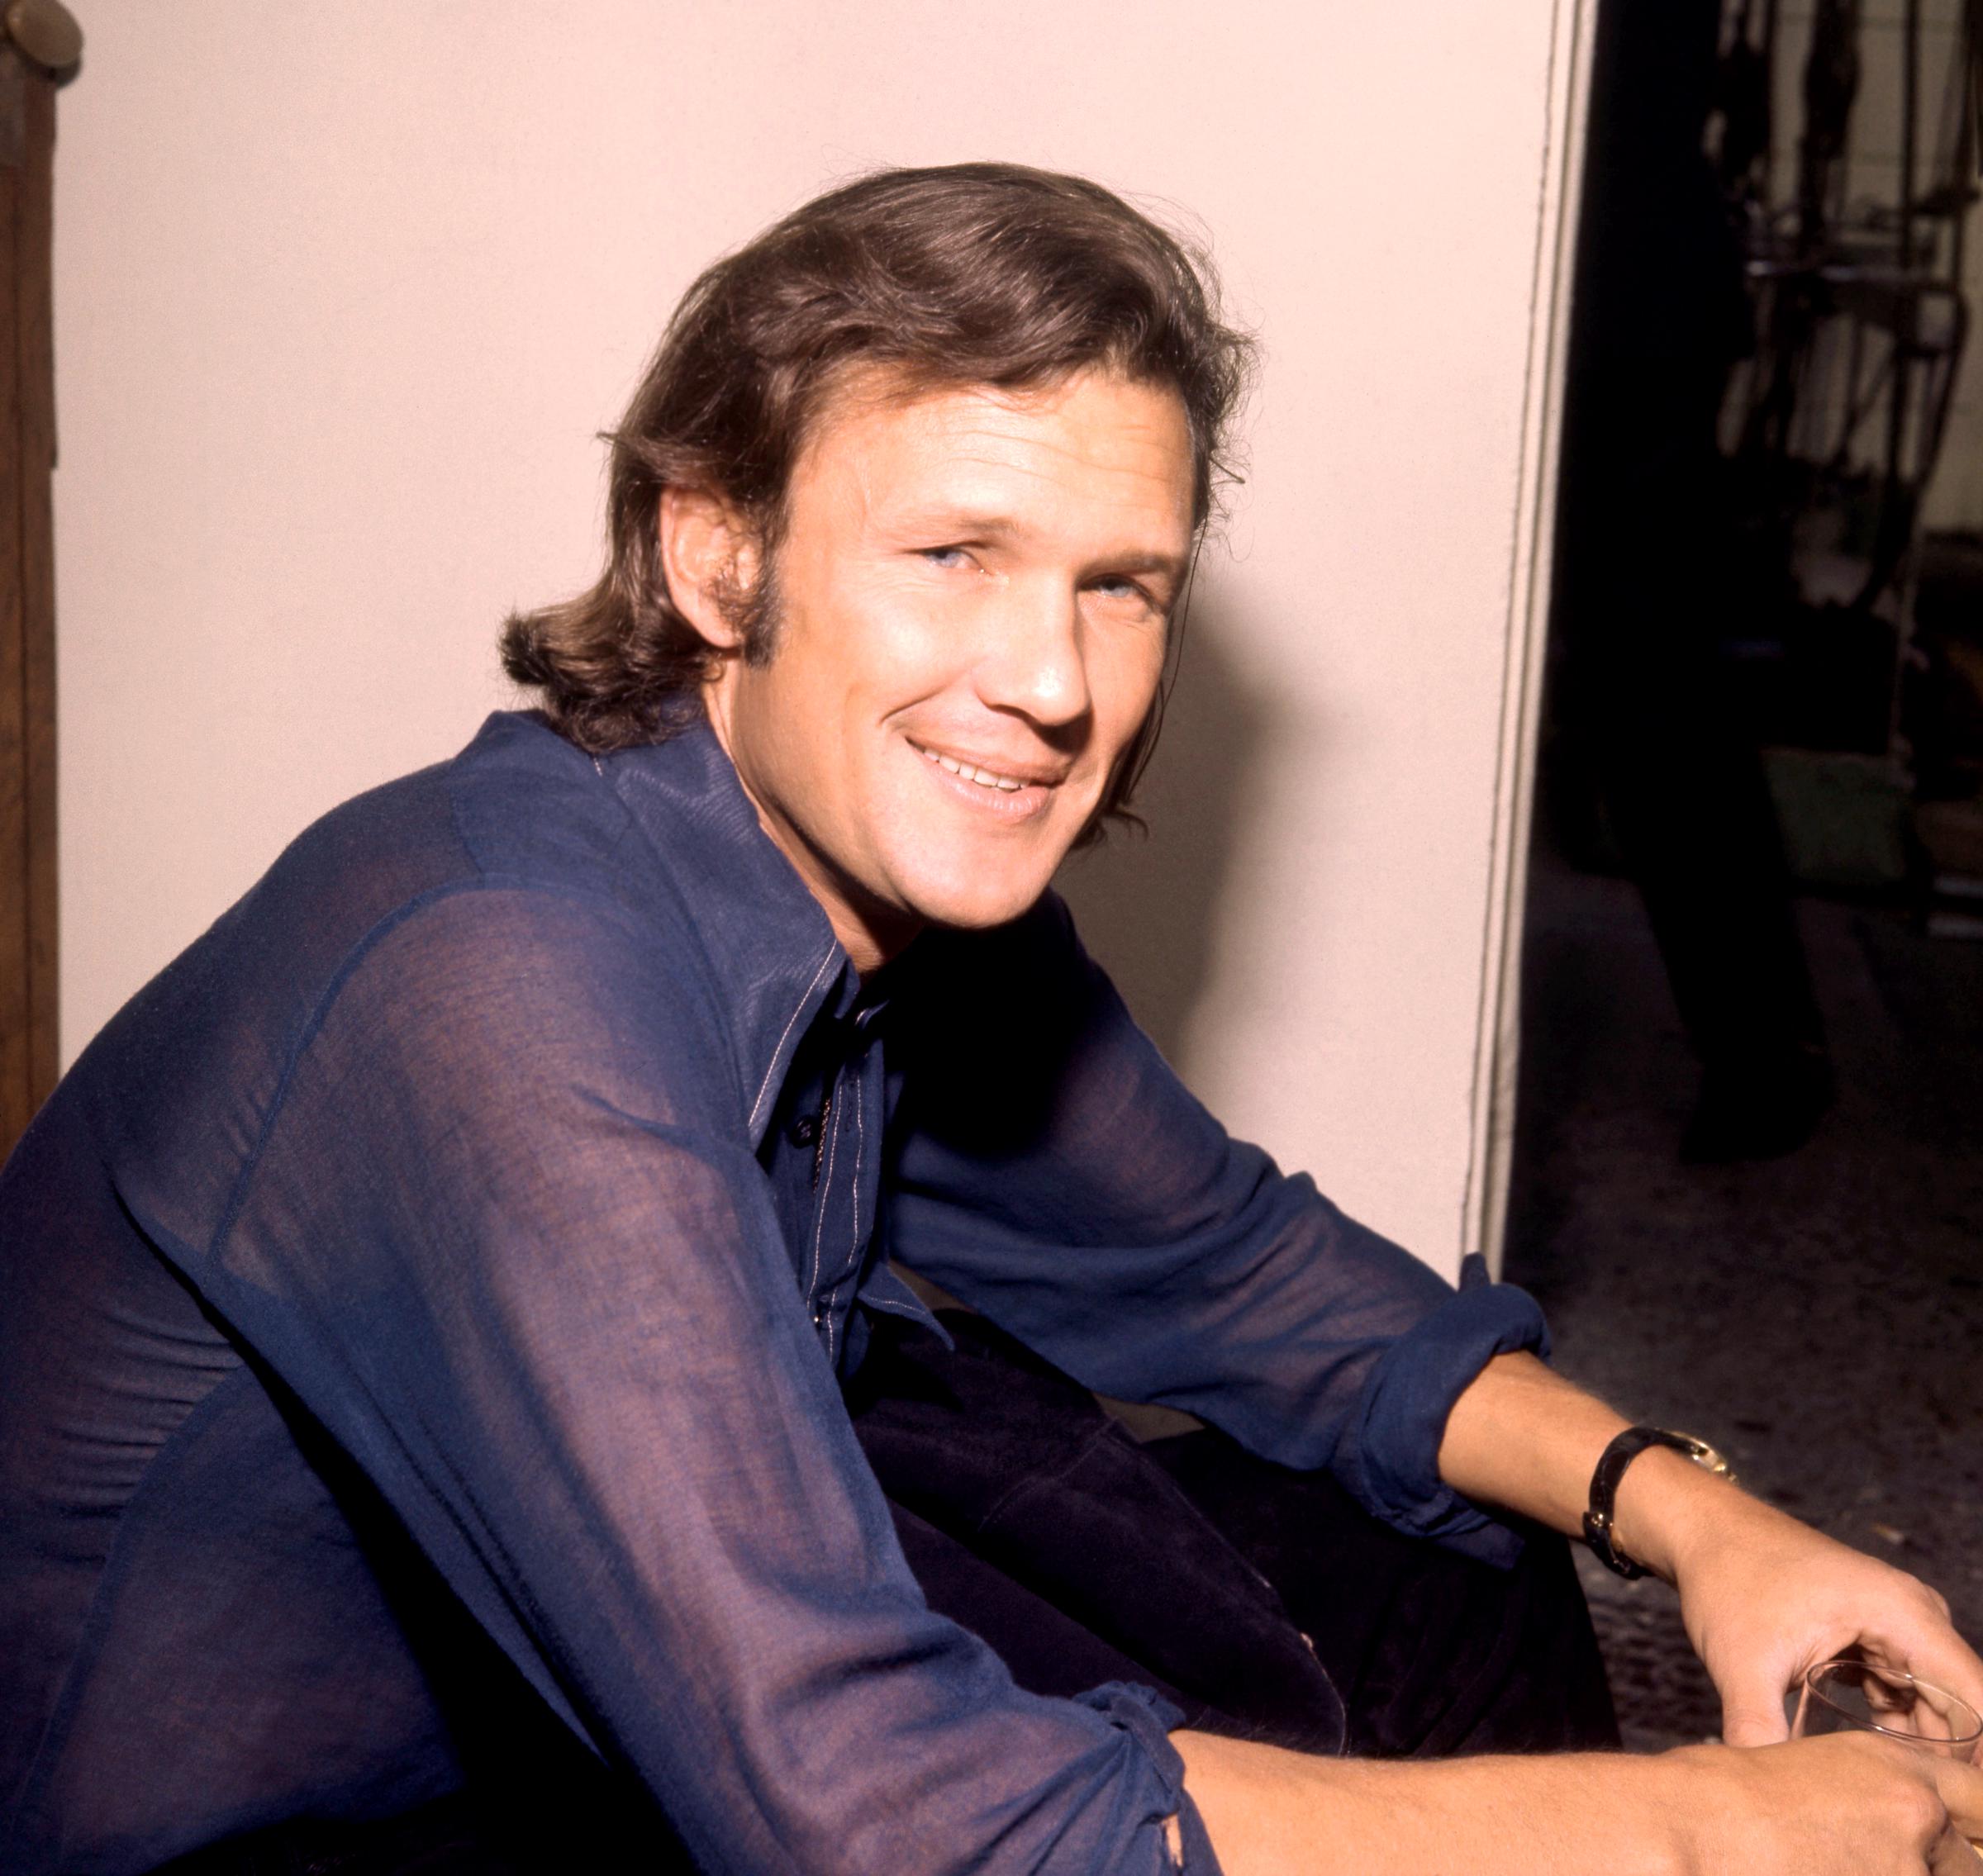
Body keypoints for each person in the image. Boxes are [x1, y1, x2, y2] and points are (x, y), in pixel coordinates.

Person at [2, 163, 1977, 1876]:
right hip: (274, 1837)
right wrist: (1710, 1821)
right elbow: (892, 1827)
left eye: (1123, 584)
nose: (1051, 677)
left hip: (559, 1692)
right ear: (716, 551)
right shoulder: (493, 981)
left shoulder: (879, 885)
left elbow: (1244, 1271)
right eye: (956, 555)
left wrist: (1708, 1520)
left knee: (1433, 1558)